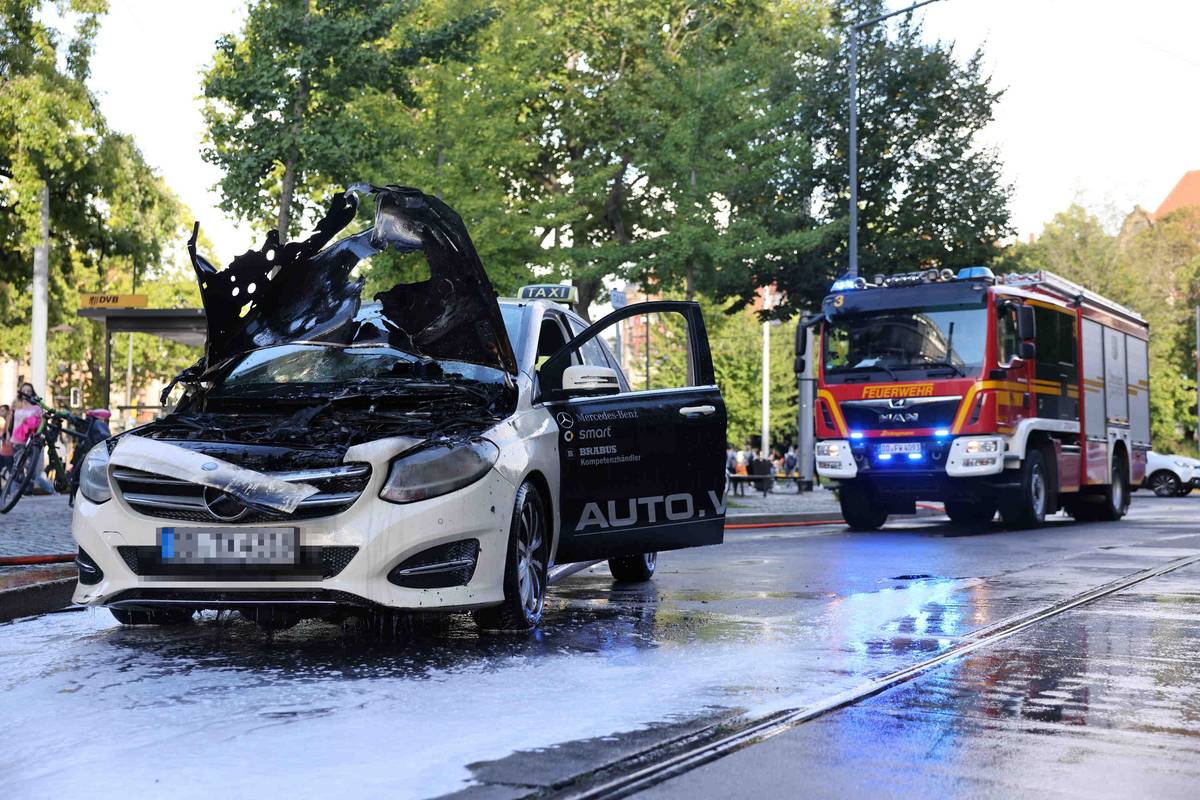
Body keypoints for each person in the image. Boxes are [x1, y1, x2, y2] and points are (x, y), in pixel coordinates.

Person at [11, 383, 55, 494]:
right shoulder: (16, 404)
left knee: (31, 468)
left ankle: (29, 490)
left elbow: (41, 422)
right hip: (17, 439)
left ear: (32, 393)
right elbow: (10, 421)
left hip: (32, 440)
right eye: (24, 390)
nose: (26, 393)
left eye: (29, 391)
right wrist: (7, 435)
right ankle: (14, 492)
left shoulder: (37, 407)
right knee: (17, 466)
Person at [0, 403, 12, 478]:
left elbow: (8, 436)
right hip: (5, 452)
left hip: (8, 452)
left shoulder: (9, 421)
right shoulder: (6, 421)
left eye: (2, 410)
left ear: (8, 411)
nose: (0, 412)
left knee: (12, 473)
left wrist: (2, 436)